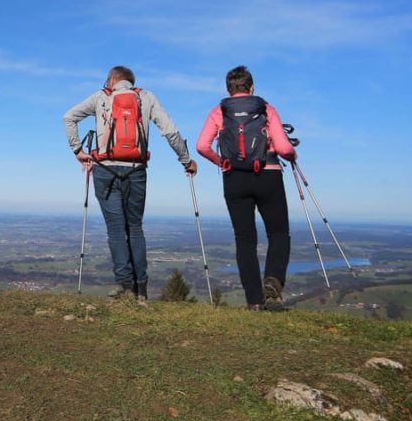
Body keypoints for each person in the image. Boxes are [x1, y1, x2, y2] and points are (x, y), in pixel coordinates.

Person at [64, 65, 197, 300]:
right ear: (131, 82)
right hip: (136, 170)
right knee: (135, 227)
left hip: (105, 170)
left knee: (116, 229)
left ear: (112, 80)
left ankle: (126, 286)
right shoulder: (145, 97)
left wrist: (78, 150)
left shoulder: (100, 97)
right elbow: (171, 132)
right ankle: (141, 288)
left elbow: (69, 117)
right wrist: (186, 161)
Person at [196, 65, 297, 311]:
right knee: (278, 233)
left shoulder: (219, 111)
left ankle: (254, 301)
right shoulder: (265, 109)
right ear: (251, 87)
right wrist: (292, 154)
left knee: (244, 239)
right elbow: (284, 148)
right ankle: (273, 280)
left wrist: (222, 162)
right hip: (268, 175)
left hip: (234, 179)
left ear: (229, 89)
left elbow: (201, 146)